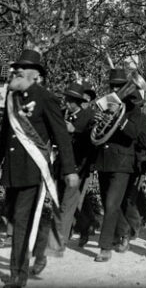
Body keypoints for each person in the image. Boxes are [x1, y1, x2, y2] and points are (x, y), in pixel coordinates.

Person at [0, 49, 78, 288]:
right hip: (12, 170)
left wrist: (70, 170)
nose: (16, 71)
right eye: (16, 67)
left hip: (33, 170)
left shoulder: (46, 98)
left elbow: (62, 136)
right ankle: (40, 249)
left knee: (20, 220)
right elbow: (4, 134)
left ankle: (18, 275)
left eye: (22, 68)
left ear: (35, 74)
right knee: (16, 217)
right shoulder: (12, 98)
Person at [92, 68, 146, 263]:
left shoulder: (134, 110)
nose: (116, 89)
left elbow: (136, 135)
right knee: (109, 205)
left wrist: (120, 118)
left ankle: (105, 247)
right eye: (113, 86)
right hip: (104, 160)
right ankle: (124, 231)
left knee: (111, 204)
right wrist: (99, 120)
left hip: (123, 162)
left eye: (120, 86)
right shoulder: (104, 105)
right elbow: (95, 132)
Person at [44, 82, 96, 256]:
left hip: (78, 166)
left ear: (77, 102)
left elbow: (91, 143)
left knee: (67, 204)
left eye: (69, 100)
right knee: (59, 203)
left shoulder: (89, 117)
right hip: (61, 165)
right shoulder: (62, 114)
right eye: (66, 99)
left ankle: (58, 244)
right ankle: (85, 225)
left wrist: (75, 131)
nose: (66, 103)